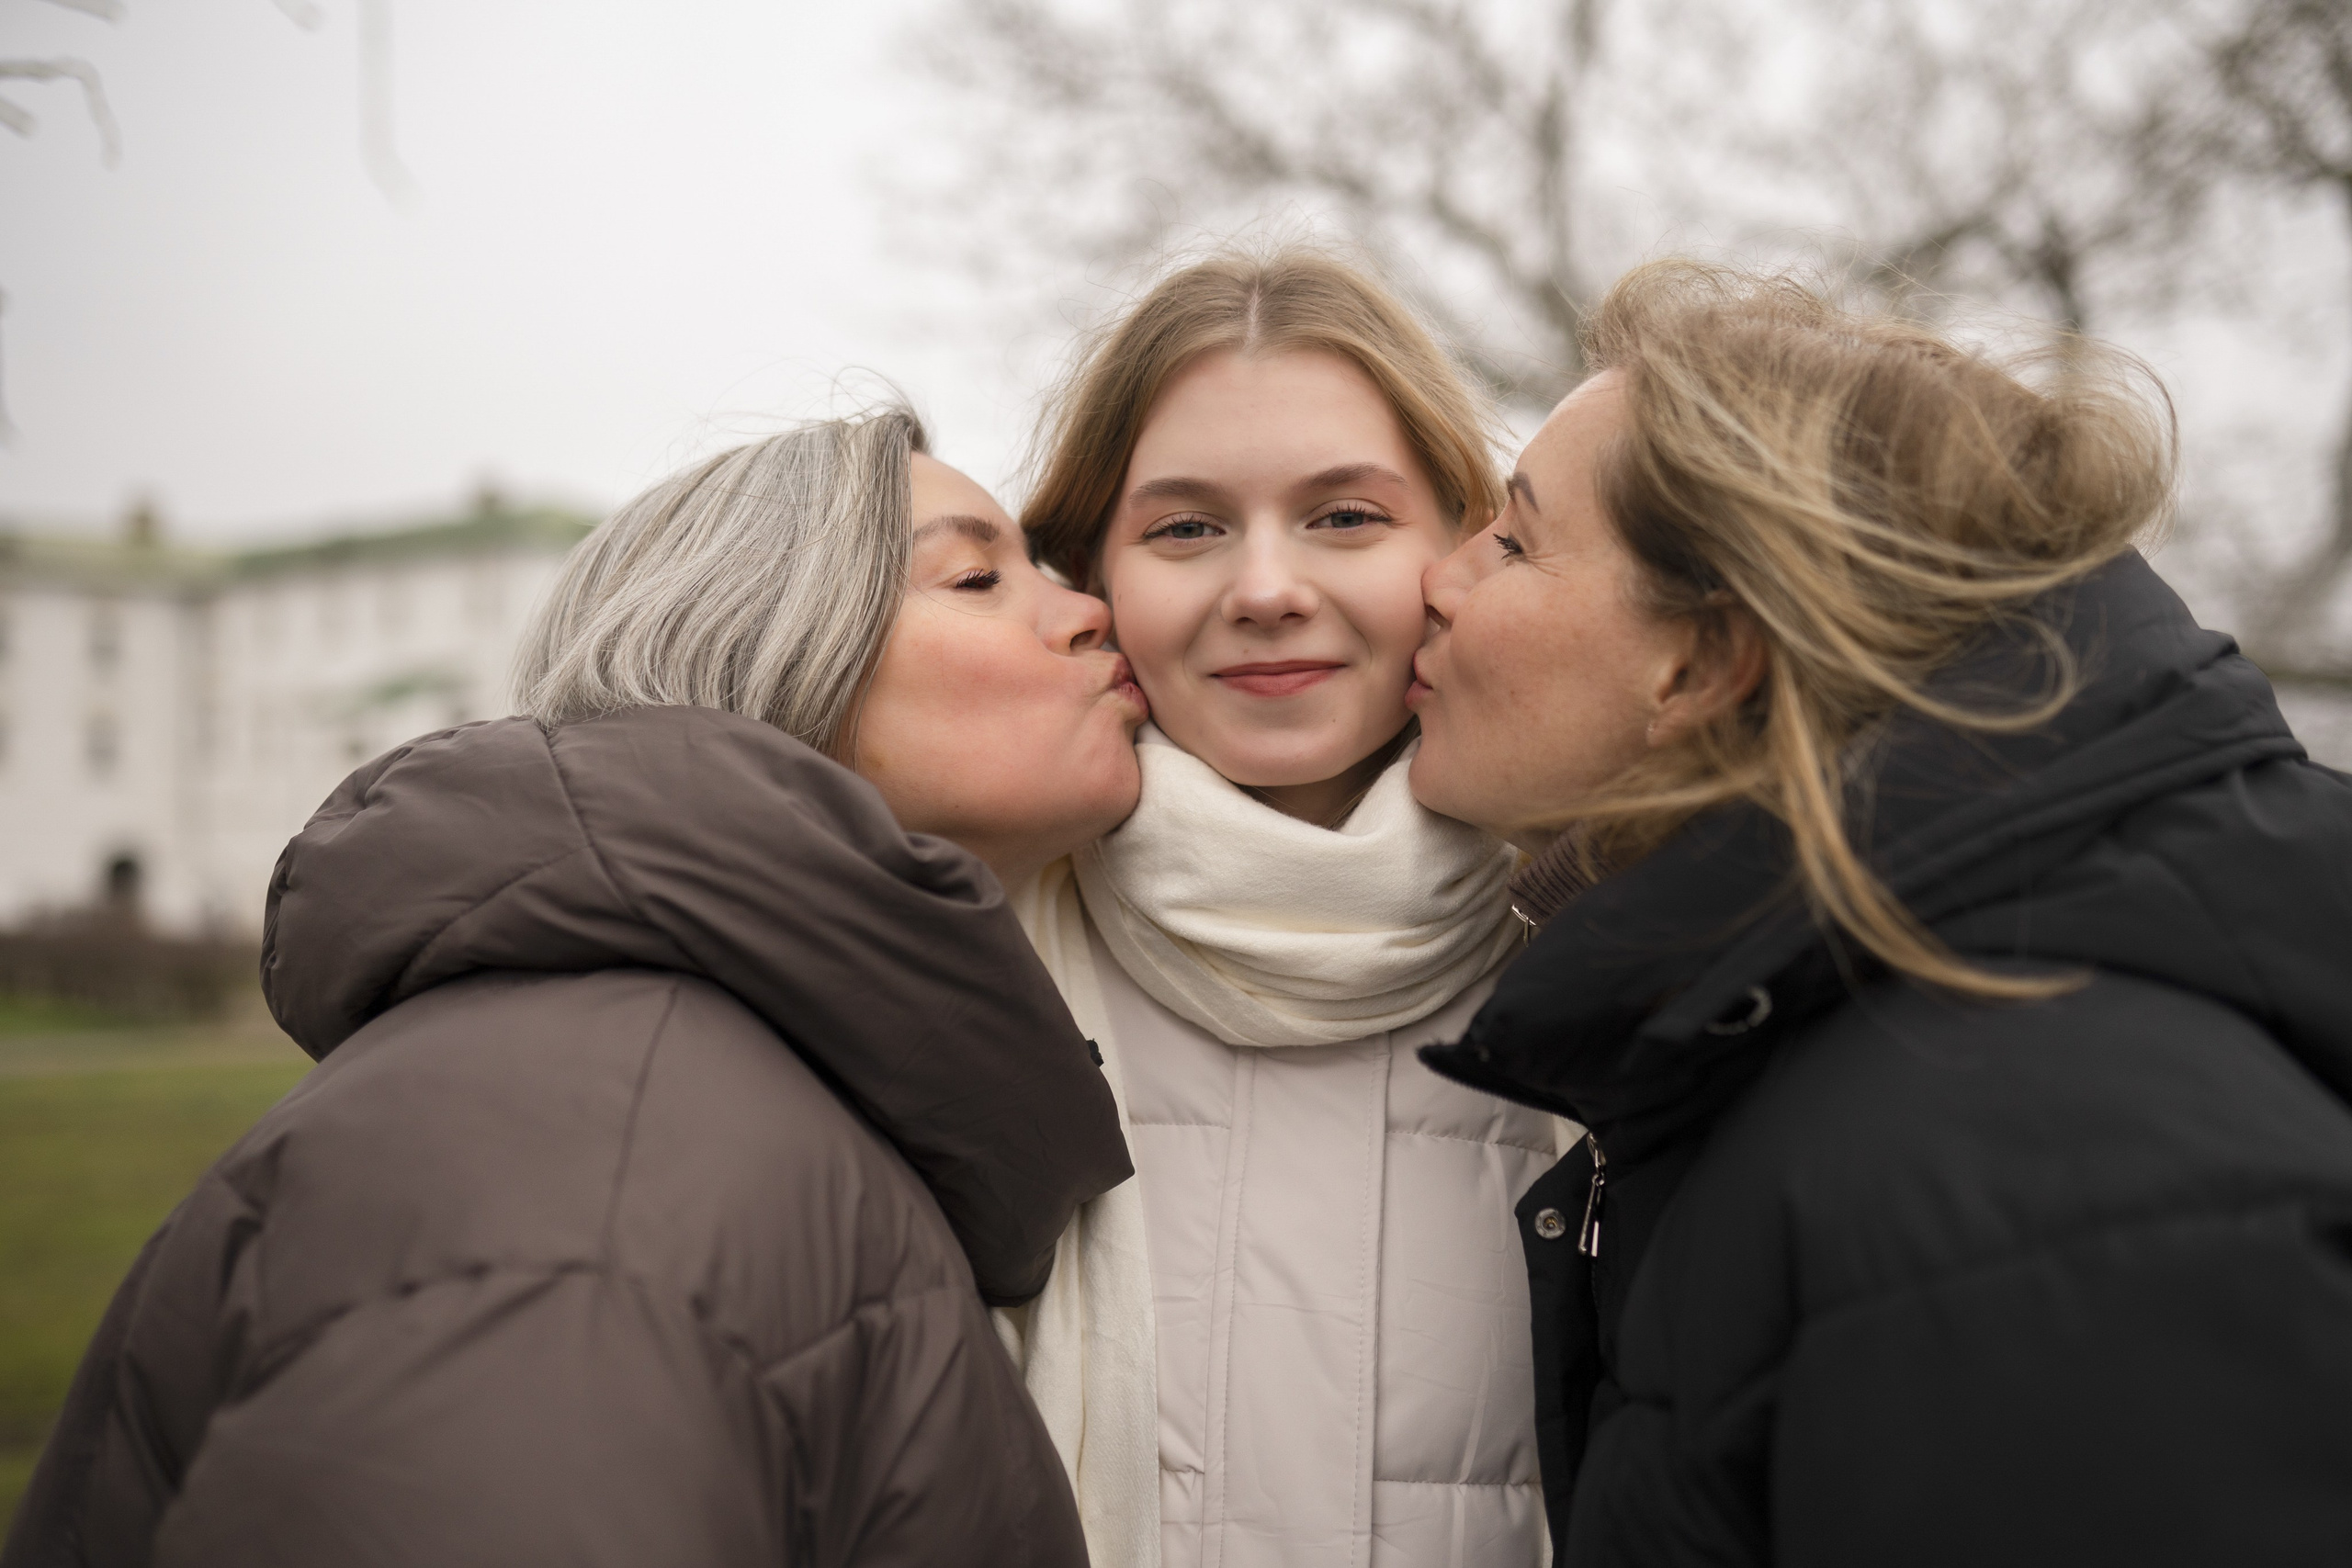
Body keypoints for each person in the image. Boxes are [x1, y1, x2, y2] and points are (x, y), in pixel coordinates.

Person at [3, 406, 1146, 1568]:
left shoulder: (729, 1087)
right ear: (773, 658)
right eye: (974, 578)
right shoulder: (608, 1161)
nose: (1087, 610)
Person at [1406, 261, 2352, 1565]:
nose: (1434, 581)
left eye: (1511, 540)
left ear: (1703, 662)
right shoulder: (1797, 1040)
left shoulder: (2024, 1176)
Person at [1010, 246, 1566, 1568]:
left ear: (1459, 550)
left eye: (1345, 517)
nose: (1265, 587)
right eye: (1187, 526)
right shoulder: (970, 954)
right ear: (1092, 573)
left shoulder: (1612, 943)